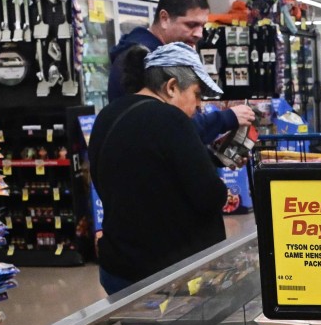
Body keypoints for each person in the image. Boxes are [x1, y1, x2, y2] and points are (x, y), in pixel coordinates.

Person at [91, 42, 228, 295]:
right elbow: (209, 195)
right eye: (197, 94)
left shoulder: (108, 115)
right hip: (170, 276)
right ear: (172, 86)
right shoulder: (172, 120)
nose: (199, 106)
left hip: (119, 269)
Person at [107, 0, 254, 143]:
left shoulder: (159, 56)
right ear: (164, 18)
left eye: (202, 26)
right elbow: (174, 126)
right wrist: (226, 118)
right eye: (191, 25)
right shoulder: (146, 61)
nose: (199, 34)